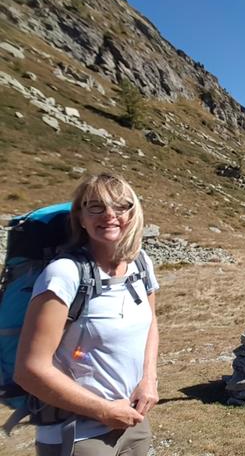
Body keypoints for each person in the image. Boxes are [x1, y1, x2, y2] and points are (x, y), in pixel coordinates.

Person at [14, 173, 160, 456]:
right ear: (80, 217)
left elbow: (151, 322)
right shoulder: (64, 274)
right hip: (78, 434)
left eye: (121, 206)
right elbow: (29, 369)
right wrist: (104, 410)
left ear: (134, 213)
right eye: (95, 206)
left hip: (133, 422)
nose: (109, 215)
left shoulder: (141, 263)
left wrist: (148, 380)